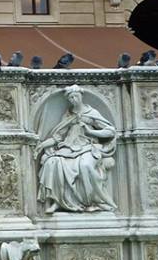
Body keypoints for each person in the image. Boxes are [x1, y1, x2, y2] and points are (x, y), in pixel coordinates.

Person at [35, 85, 117, 214]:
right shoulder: (68, 115)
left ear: (81, 96)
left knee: (85, 166)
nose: (73, 99)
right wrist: (42, 145)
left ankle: (92, 201)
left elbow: (110, 132)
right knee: (53, 162)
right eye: (71, 98)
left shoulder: (92, 113)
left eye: (75, 96)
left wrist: (91, 132)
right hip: (68, 148)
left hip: (87, 148)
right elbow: (58, 136)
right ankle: (58, 202)